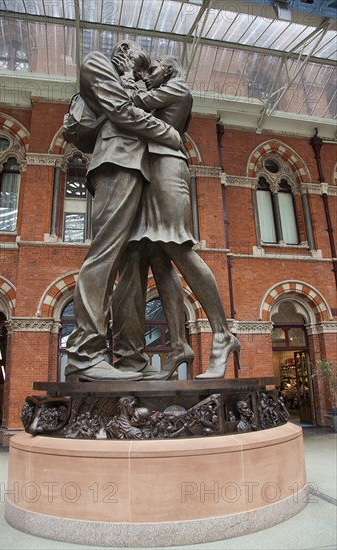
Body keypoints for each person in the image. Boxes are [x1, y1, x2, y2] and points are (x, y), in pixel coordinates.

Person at [112, 55, 240, 380]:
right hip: (152, 171)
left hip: (168, 168)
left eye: (152, 70)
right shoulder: (165, 92)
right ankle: (179, 345)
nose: (148, 75)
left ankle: (223, 334)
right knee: (157, 255)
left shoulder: (176, 88)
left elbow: (131, 104)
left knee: (178, 246)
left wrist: (128, 75)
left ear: (168, 70)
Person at [64, 41, 182, 382]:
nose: (127, 58)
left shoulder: (136, 83)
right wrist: (168, 134)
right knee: (105, 256)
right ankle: (84, 354)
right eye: (129, 55)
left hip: (142, 172)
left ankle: (132, 360)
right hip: (116, 164)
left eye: (137, 61)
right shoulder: (96, 62)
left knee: (133, 269)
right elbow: (120, 110)